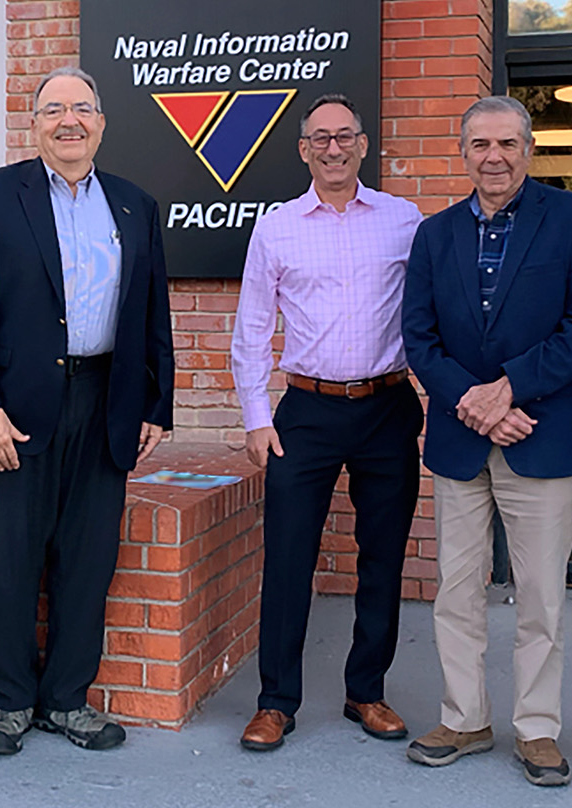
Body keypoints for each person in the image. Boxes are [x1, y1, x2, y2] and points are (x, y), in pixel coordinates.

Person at [0, 66, 173, 756]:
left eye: (82, 109)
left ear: (101, 122)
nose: (68, 121)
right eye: (54, 110)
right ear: (34, 123)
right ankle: (10, 704)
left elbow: (150, 310)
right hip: (16, 409)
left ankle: (68, 701)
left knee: (87, 560)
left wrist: (155, 403)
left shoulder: (134, 203)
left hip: (106, 403)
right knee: (9, 559)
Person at [401, 95, 572, 786]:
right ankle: (463, 717)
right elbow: (419, 338)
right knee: (456, 592)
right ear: (462, 153)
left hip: (544, 437)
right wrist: (475, 403)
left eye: (508, 144)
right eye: (480, 146)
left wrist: (508, 392)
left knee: (541, 597)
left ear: (528, 149)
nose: (494, 157)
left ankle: (537, 729)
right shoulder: (434, 236)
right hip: (464, 441)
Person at [231, 93, 424, 752]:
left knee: (383, 557)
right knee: (288, 558)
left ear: (363, 144)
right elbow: (253, 327)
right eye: (321, 138)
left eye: (345, 136)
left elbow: (428, 313)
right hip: (305, 412)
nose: (334, 148)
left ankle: (366, 690)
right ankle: (276, 701)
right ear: (304, 149)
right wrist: (257, 417)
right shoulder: (277, 227)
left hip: (387, 406)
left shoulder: (404, 220)